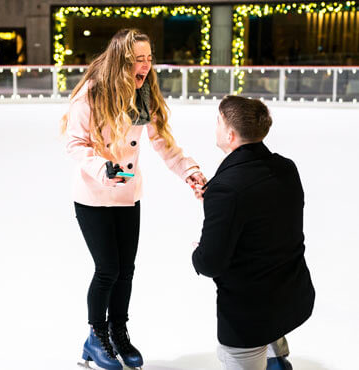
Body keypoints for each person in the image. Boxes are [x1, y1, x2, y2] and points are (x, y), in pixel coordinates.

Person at [62, 29, 206, 370]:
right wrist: (102, 168)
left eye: (149, 58)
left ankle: (118, 332)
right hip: (94, 195)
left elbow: (164, 143)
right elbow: (74, 143)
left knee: (125, 271)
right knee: (107, 269)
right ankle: (96, 337)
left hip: (128, 195)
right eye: (137, 60)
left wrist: (190, 171)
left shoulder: (145, 95)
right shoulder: (92, 94)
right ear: (121, 62)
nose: (145, 66)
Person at [192, 95, 315, 370]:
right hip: (292, 294)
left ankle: (270, 356)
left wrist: (197, 252)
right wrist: (217, 201)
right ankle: (276, 356)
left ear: (231, 135)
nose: (215, 128)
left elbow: (211, 262)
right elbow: (266, 217)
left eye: (218, 122)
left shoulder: (227, 189)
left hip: (248, 314)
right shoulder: (286, 168)